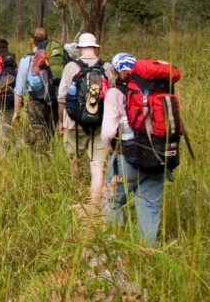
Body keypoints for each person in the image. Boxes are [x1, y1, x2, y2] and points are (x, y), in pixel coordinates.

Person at [102, 53, 166, 246]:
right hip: (158, 158)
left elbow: (107, 133)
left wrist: (110, 152)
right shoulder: (157, 91)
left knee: (111, 200)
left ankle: (116, 248)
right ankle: (145, 255)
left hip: (126, 159)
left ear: (113, 71)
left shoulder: (115, 93)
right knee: (149, 207)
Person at [56, 33, 116, 212]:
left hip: (74, 123)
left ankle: (75, 194)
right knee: (98, 164)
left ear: (80, 48)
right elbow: (113, 95)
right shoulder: (106, 67)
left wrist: (61, 121)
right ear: (95, 48)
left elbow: (61, 98)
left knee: (73, 158)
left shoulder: (71, 67)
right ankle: (94, 203)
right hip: (101, 123)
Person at [12, 27, 60, 148]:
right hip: (54, 101)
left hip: (36, 102)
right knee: (51, 135)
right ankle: (51, 158)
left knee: (38, 137)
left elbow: (19, 91)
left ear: (32, 40)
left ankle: (41, 162)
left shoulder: (27, 60)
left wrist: (16, 113)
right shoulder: (54, 57)